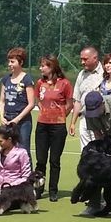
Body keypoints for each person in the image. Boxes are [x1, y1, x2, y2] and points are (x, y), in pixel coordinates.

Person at [34, 55, 73, 202]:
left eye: (43, 65)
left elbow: (69, 104)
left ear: (52, 67)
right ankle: (38, 188)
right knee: (41, 160)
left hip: (58, 127)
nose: (41, 68)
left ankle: (53, 190)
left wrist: (60, 115)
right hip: (42, 125)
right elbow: (38, 100)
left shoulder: (64, 84)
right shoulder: (40, 83)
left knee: (54, 160)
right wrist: (45, 112)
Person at [0, 47, 36, 156]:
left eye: (12, 62)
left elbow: (31, 104)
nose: (9, 64)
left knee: (23, 151)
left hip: (23, 121)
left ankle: (27, 168)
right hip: (8, 119)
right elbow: (2, 101)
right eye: (9, 62)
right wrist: (2, 117)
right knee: (7, 150)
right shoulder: (6, 79)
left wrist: (17, 119)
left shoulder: (27, 79)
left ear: (21, 62)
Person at [69, 45, 103, 149]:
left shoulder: (104, 73)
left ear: (95, 58)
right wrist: (73, 123)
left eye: (85, 59)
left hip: (100, 119)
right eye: (81, 59)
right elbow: (77, 100)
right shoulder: (81, 74)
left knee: (100, 151)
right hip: (84, 119)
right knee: (85, 152)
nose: (82, 62)